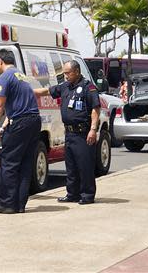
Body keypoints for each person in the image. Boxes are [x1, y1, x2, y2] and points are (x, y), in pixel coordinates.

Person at [34, 60, 100, 204]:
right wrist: (27, 92)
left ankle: (87, 195)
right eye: (64, 73)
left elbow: (95, 109)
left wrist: (93, 130)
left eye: (68, 73)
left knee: (85, 166)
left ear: (76, 72)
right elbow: (46, 91)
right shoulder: (65, 87)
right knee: (71, 167)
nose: (65, 76)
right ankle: (72, 194)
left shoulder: (89, 88)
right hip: (69, 133)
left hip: (83, 133)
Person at [0, 49, 41, 214]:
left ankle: (8, 204)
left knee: (9, 163)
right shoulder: (21, 75)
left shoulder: (5, 76)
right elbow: (17, 106)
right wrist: (4, 127)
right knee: (25, 164)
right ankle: (20, 204)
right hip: (33, 121)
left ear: (1, 61)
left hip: (21, 123)